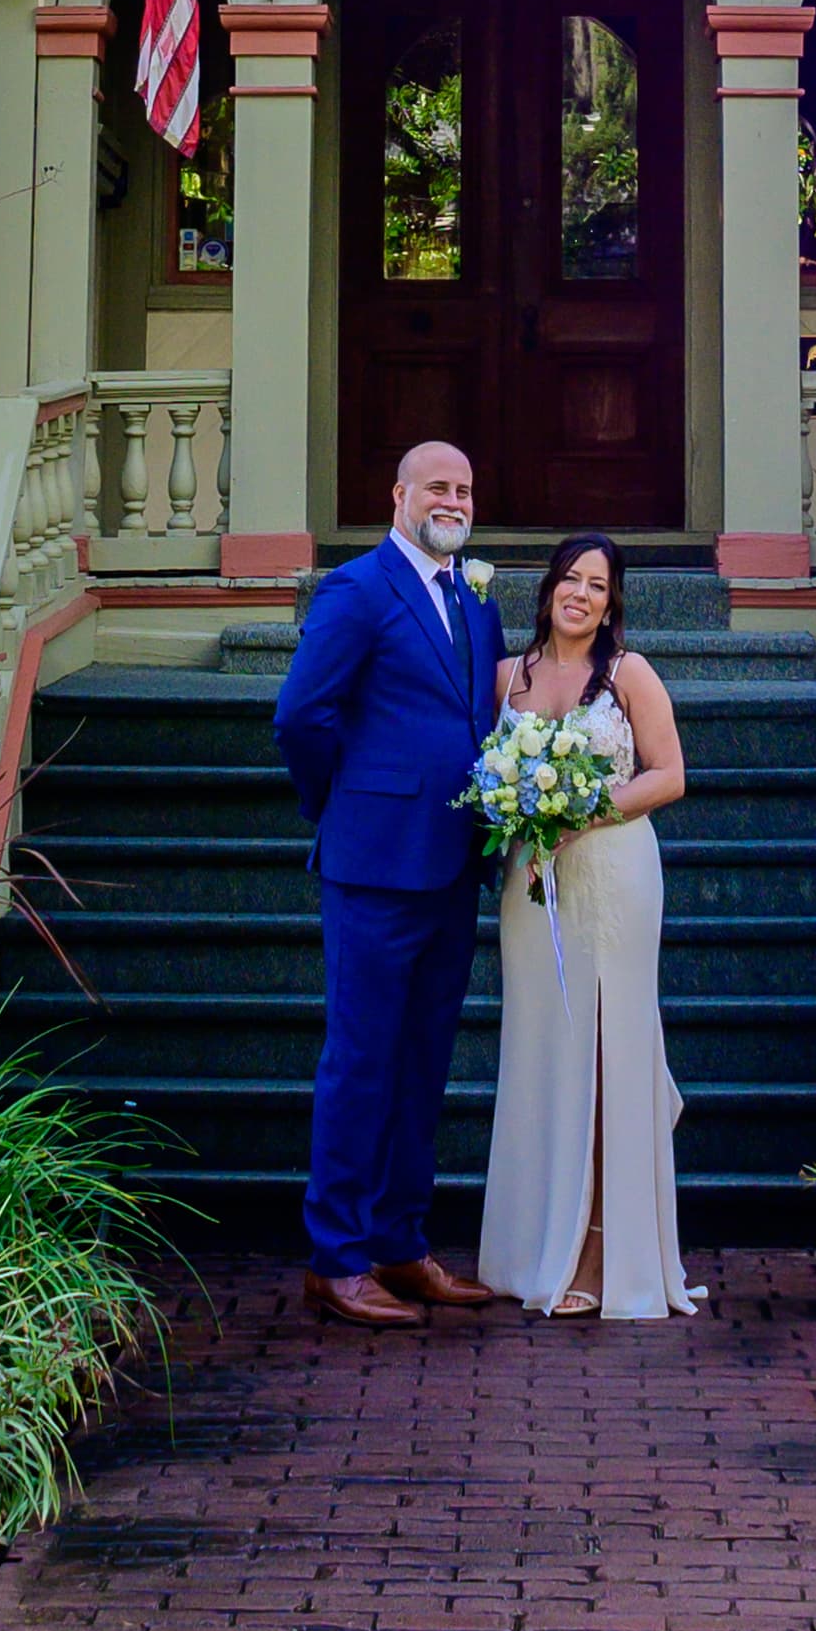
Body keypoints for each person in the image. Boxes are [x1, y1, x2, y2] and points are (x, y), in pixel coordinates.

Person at [270, 437, 509, 1335]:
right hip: (373, 863)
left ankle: (401, 1242)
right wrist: (340, 801)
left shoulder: (476, 601)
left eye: (467, 486)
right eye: (438, 485)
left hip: (452, 863)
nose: (454, 498)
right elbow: (301, 714)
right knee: (361, 1061)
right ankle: (336, 1261)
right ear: (399, 492)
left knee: (423, 1064)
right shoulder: (358, 589)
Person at [473, 529, 699, 1322]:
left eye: (597, 585)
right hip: (533, 883)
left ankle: (604, 1253)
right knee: (541, 1048)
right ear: (548, 589)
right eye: (570, 578)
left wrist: (581, 814)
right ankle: (534, 1244)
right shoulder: (506, 678)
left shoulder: (630, 674)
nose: (581, 594)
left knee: (609, 1047)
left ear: (613, 602)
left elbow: (669, 774)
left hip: (615, 875)